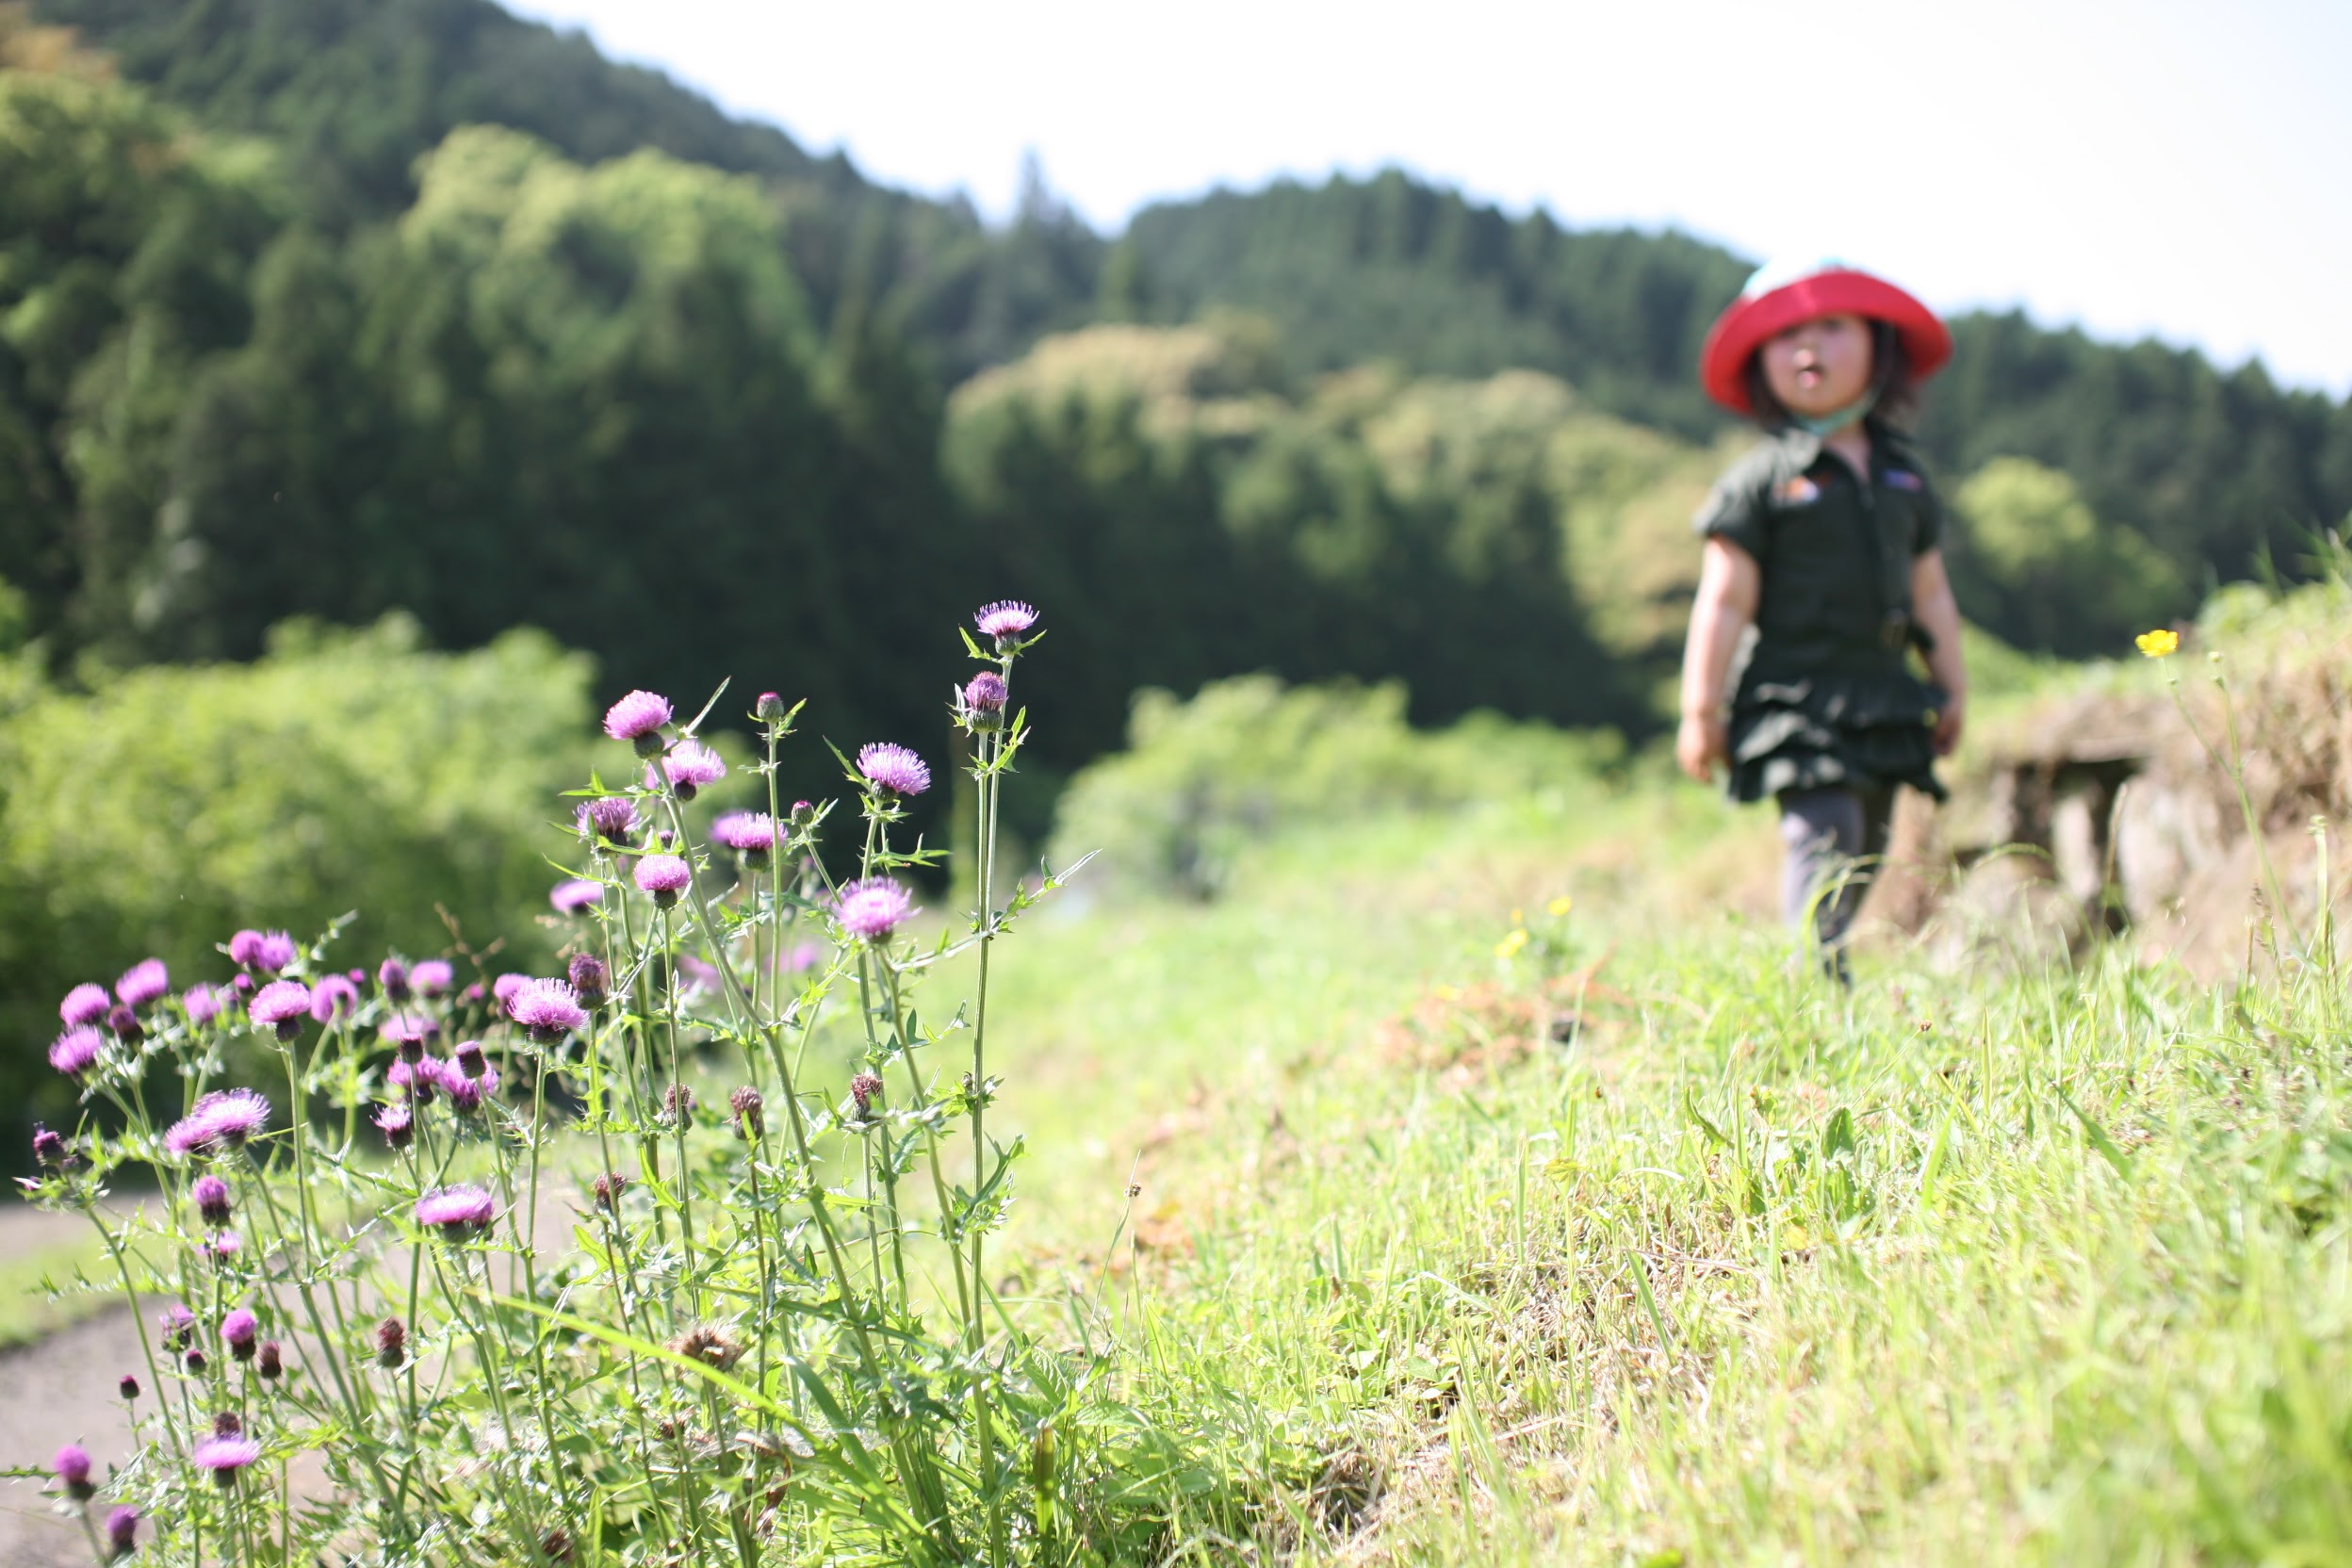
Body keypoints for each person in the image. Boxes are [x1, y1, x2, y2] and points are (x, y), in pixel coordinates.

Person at [1675, 259, 1968, 975]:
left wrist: (1951, 686)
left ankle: (1819, 967)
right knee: (1824, 831)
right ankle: (1812, 990)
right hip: (1794, 695)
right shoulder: (1761, 482)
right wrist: (1700, 710)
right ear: (1758, 365)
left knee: (1868, 842)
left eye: (1831, 328)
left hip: (1881, 691)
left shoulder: (1904, 476)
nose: (1807, 348)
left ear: (1877, 345)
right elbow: (1724, 599)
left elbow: (1930, 592)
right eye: (1785, 336)